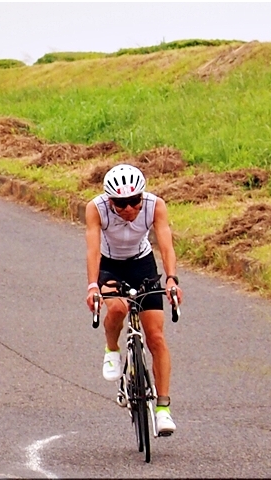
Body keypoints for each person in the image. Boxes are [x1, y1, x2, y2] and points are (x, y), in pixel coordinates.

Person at [85, 164, 183, 436]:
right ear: (109, 201)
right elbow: (93, 249)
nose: (129, 208)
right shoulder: (96, 208)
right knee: (118, 308)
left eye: (134, 201)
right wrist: (93, 286)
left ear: (142, 196)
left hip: (142, 264)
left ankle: (162, 409)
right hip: (110, 266)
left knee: (156, 337)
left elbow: (166, 245)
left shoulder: (155, 205)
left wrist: (171, 279)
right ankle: (112, 349)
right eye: (120, 203)